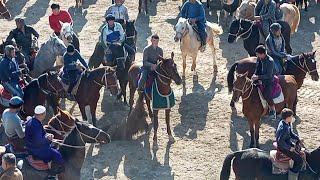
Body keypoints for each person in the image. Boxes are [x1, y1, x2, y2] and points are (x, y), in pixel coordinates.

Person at [25, 105, 64, 178]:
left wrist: (47, 135)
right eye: (45, 113)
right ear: (42, 114)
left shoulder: (33, 120)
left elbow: (41, 134)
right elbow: (38, 142)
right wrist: (47, 139)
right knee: (57, 155)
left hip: (31, 145)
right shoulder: (35, 125)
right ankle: (52, 174)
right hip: (35, 149)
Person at [276, 108, 303, 180]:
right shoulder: (283, 128)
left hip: (287, 143)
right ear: (288, 118)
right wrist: (289, 148)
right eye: (291, 116)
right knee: (299, 160)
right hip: (283, 147)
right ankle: (292, 177)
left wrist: (298, 138)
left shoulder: (286, 123)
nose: (292, 118)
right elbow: (280, 141)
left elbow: (291, 133)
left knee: (300, 150)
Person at [252, 45, 276, 119]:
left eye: (258, 54)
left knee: (266, 94)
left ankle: (273, 110)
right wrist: (254, 74)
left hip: (269, 81)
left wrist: (258, 77)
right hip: (259, 78)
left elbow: (269, 75)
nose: (257, 56)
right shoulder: (259, 59)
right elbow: (257, 68)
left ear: (263, 54)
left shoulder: (270, 61)